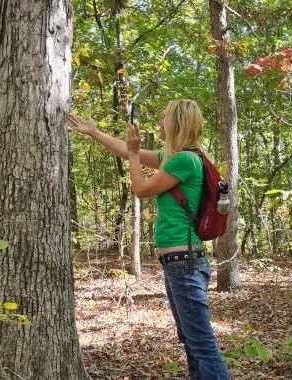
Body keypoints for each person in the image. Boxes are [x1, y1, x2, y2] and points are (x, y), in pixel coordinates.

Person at [67, 99, 230, 380]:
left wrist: (131, 153)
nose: (160, 123)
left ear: (177, 124)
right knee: (191, 341)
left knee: (201, 344)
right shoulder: (177, 157)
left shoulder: (184, 160)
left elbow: (140, 189)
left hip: (185, 262)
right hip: (180, 262)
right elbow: (127, 151)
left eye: (164, 118)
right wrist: (93, 132)